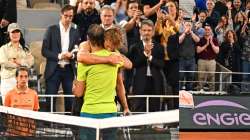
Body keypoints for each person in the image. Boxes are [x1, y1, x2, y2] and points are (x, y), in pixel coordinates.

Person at [74, 24, 128, 140]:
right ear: (103, 38)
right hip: (110, 112)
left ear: (88, 39)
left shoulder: (84, 61)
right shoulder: (116, 57)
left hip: (89, 112)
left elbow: (78, 93)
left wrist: (74, 87)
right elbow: (129, 64)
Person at [41, 5, 80, 112]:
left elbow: (77, 51)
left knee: (70, 100)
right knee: (50, 99)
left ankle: (70, 126)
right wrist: (59, 56)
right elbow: (44, 51)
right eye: (66, 16)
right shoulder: (51, 29)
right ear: (61, 15)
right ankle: (49, 126)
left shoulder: (75, 31)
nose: (68, 19)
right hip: (54, 69)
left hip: (69, 69)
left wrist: (71, 55)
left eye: (70, 17)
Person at [129, 19, 165, 113]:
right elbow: (133, 64)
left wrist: (151, 58)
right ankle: (138, 127)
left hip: (155, 81)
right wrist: (145, 54)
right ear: (140, 31)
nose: (146, 33)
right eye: (144, 30)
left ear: (153, 32)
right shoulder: (135, 47)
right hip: (140, 80)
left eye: (149, 30)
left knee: (155, 107)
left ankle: (155, 126)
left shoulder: (159, 46)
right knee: (138, 106)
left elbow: (162, 64)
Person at [0, 23, 34, 104]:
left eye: (17, 32)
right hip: (8, 80)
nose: (15, 34)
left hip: (23, 80)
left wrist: (19, 62)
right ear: (9, 34)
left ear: (20, 34)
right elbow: (4, 63)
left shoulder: (25, 49)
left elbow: (31, 62)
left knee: (23, 107)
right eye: (13, 32)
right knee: (8, 107)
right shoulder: (3, 49)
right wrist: (21, 65)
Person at [4, 66, 39, 136]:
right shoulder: (9, 94)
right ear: (16, 78)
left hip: (29, 134)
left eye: (26, 77)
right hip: (13, 134)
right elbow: (5, 115)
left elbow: (35, 112)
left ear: (28, 78)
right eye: (21, 76)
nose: (24, 79)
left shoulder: (34, 94)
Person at [196, 24, 219, 91]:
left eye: (208, 29)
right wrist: (206, 45)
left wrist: (211, 43)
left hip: (211, 61)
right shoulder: (200, 40)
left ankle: (212, 92)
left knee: (212, 77)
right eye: (205, 29)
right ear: (204, 31)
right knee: (200, 77)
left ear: (211, 31)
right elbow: (198, 51)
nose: (207, 31)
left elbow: (217, 51)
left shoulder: (214, 40)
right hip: (202, 61)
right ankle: (200, 91)